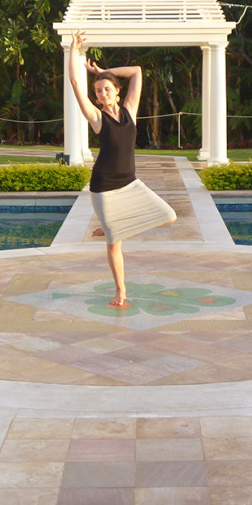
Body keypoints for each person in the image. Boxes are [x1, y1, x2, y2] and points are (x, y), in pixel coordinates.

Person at [67, 31, 176, 310]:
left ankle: (112, 226)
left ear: (116, 90)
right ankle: (121, 290)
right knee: (115, 244)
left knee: (169, 215)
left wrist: (103, 71)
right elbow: (75, 83)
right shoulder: (97, 117)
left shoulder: (130, 109)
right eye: (98, 91)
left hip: (130, 183)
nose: (102, 94)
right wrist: (73, 49)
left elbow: (138, 71)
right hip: (103, 186)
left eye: (107, 89)